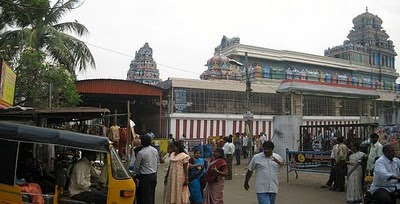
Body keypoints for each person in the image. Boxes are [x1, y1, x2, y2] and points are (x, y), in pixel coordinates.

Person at [134, 135, 159, 204]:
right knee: (151, 195)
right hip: (154, 175)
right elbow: (158, 163)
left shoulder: (141, 153)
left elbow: (136, 166)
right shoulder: (155, 150)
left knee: (146, 197)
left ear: (142, 142)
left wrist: (136, 173)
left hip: (145, 177)